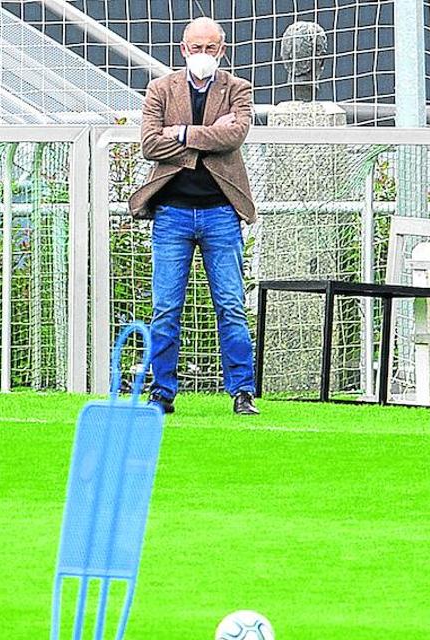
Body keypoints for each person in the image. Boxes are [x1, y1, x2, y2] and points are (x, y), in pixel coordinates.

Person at [129, 17, 260, 416]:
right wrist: (202, 136)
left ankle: (242, 391)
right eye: (196, 48)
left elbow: (234, 135)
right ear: (183, 49)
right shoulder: (160, 88)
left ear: (221, 50)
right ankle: (162, 392)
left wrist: (181, 133)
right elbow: (150, 144)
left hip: (221, 213)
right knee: (166, 307)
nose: (203, 55)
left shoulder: (238, 89)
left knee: (231, 305)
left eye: (210, 48)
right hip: (172, 214)